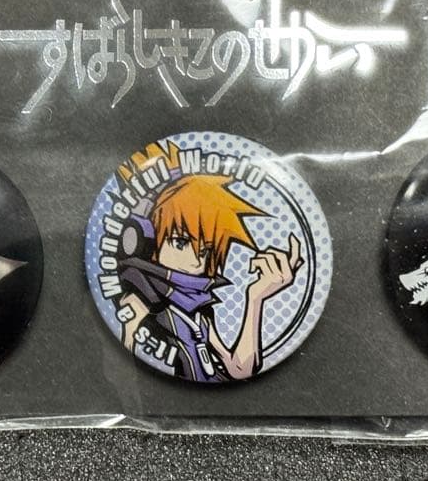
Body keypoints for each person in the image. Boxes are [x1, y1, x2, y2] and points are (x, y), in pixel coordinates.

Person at [114, 142, 303, 381]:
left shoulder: (197, 310)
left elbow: (240, 369)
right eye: (180, 243)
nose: (195, 262)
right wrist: (130, 331)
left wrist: (256, 298)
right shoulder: (142, 300)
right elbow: (124, 370)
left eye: (205, 251)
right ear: (144, 240)